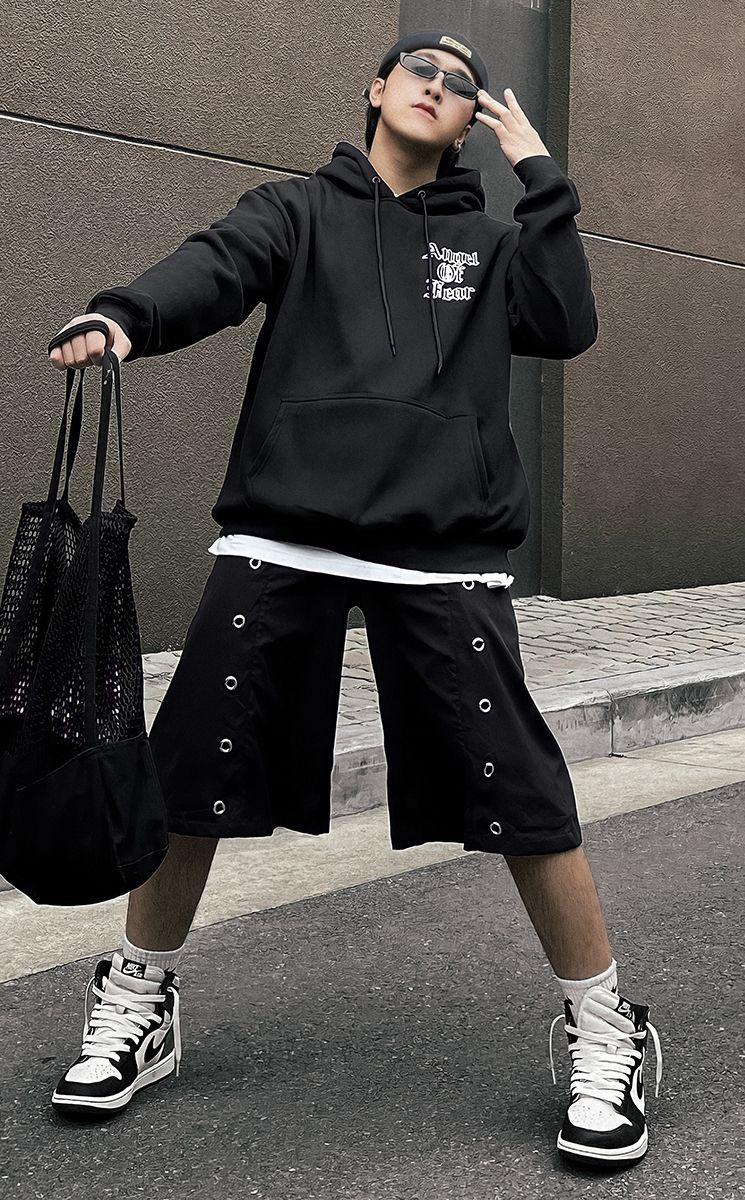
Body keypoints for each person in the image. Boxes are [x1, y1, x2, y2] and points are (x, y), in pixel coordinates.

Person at [47, 29, 662, 1164]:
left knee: (524, 789)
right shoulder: (296, 211)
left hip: (442, 550)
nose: (441, 87)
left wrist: (541, 175)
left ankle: (605, 1024)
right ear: (378, 89)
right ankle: (140, 998)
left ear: (472, 120)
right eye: (422, 70)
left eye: (463, 85)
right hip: (283, 532)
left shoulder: (489, 240)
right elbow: (214, 266)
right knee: (191, 776)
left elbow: (566, 324)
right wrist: (126, 315)